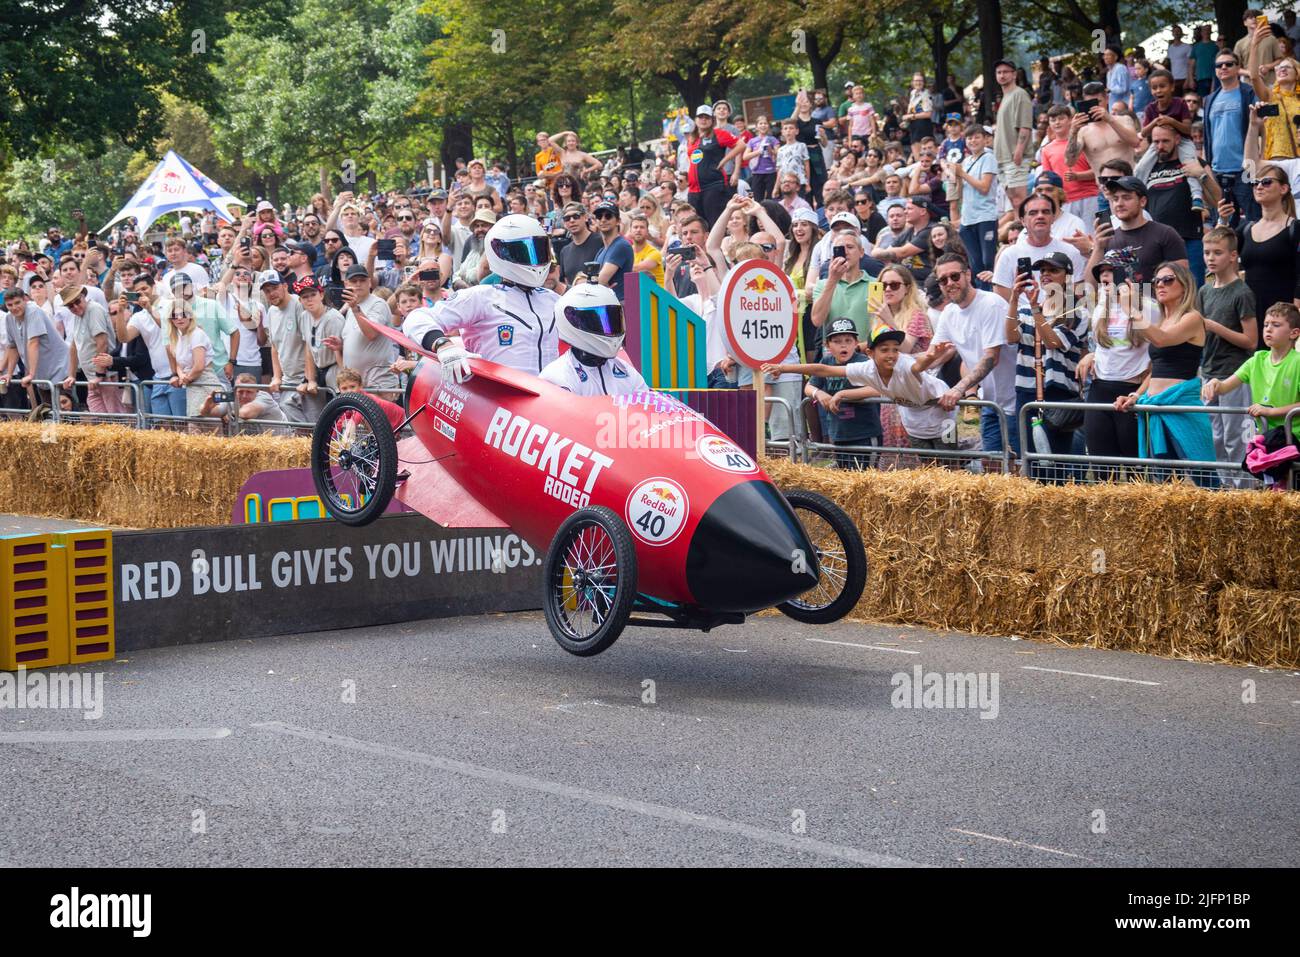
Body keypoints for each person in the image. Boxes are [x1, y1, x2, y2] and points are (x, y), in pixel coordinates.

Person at [425, 214, 560, 381]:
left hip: (551, 399)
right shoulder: (481, 297)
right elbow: (420, 317)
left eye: (538, 249)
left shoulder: (554, 300)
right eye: (523, 251)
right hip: (500, 396)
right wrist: (442, 345)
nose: (533, 258)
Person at [1115, 261, 1215, 484]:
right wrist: (1136, 395)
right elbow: (1156, 371)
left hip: (1181, 406)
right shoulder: (1163, 320)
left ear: (1185, 285)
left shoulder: (1192, 317)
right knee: (1163, 483)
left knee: (1204, 480)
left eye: (1168, 280)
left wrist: (1131, 309)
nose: (1161, 284)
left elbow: (1162, 340)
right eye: (1157, 280)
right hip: (1155, 405)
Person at [1004, 253, 1089, 480]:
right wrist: (1014, 298)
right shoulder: (1026, 309)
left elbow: (1054, 342)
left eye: (1053, 270)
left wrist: (1035, 311)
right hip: (1027, 391)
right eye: (1042, 271)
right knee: (1031, 461)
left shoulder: (1078, 312)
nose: (1046, 275)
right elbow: (1011, 337)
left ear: (1067, 277)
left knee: (1057, 464)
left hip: (1058, 393)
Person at [929, 253, 1019, 458]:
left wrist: (960, 389)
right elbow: (932, 355)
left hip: (1015, 401)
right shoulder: (949, 312)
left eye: (954, 276)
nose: (949, 283)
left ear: (968, 275)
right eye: (943, 280)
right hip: (990, 401)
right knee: (991, 466)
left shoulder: (991, 303)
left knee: (1017, 467)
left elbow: (991, 358)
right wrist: (896, 364)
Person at [1195, 226, 1259, 485]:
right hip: (1208, 370)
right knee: (1215, 438)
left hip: (1234, 372)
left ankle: (1244, 490)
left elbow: (1251, 341)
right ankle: (1225, 492)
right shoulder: (1204, 291)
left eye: (1217, 252)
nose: (1210, 258)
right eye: (1207, 252)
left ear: (1233, 256)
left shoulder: (1242, 292)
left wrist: (1215, 327)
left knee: (1236, 438)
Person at [1077, 259, 1151, 478]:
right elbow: (1103, 347)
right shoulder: (1101, 305)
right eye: (1102, 272)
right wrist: (1091, 355)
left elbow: (1160, 350)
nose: (1105, 276)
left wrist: (1139, 392)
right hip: (1099, 389)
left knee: (1134, 470)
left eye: (1111, 271)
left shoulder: (1148, 306)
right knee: (1102, 468)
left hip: (1130, 390)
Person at [1217, 161, 1300, 348]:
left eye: (1267, 182)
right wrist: (1222, 220)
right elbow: (1218, 252)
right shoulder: (1247, 228)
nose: (1259, 186)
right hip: (1252, 313)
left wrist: (1296, 314)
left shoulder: (1295, 228)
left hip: (1284, 314)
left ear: (1284, 188)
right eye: (1255, 183)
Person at [1203, 302, 1300, 449]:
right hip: (1265, 438)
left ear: (1294, 333)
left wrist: (1271, 412)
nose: (1269, 329)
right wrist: (1215, 383)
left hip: (1292, 440)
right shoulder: (1256, 360)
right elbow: (1224, 387)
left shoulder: (1297, 362)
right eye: (1266, 324)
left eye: (1276, 325)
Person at [539, 282, 646, 395]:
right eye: (597, 321)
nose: (607, 327)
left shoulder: (625, 370)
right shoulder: (557, 375)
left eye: (612, 320)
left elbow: (648, 404)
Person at [1087, 176, 1187, 286]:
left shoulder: (1165, 234)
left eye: (1126, 198)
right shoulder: (1106, 240)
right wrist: (1098, 247)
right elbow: (1090, 287)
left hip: (1154, 301)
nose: (1119, 203)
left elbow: (1183, 280)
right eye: (1115, 199)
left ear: (1142, 201)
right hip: (1118, 302)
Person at [1204, 50, 1258, 226]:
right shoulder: (1210, 98)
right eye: (1219, 65)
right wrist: (1208, 166)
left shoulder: (1248, 93)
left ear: (1238, 68)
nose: (1224, 67)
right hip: (1218, 172)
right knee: (1222, 226)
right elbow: (1207, 135)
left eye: (1229, 64)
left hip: (1246, 170)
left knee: (1254, 222)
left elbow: (1260, 127)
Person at [683, 105, 745, 227]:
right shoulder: (692, 138)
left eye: (707, 117)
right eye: (700, 117)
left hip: (713, 186)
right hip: (694, 189)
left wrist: (725, 160)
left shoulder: (719, 134)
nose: (703, 120)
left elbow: (741, 145)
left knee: (715, 225)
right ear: (695, 120)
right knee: (697, 226)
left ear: (712, 120)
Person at [1066, 82, 1143, 177]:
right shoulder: (1083, 131)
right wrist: (1073, 132)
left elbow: (1135, 142)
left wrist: (1110, 120)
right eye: (1090, 103)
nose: (1095, 107)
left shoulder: (1124, 120)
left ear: (1107, 99)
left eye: (1098, 102)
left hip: (1128, 182)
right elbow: (1070, 162)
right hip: (1104, 186)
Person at [993, 59, 1035, 210]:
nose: (1002, 75)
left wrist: (1019, 151)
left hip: (1015, 156)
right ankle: (1021, 231)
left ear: (1014, 75)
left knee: (1020, 199)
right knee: (1013, 200)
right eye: (999, 72)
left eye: (1005, 72)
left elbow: (1025, 126)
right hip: (1003, 157)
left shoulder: (1020, 94)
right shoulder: (1005, 96)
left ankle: (1027, 231)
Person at [591, 201, 635, 301]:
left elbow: (599, 282)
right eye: (599, 216)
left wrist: (597, 283)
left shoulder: (621, 245)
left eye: (608, 216)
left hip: (619, 306)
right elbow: (594, 282)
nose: (603, 220)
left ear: (618, 221)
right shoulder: (601, 251)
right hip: (606, 303)